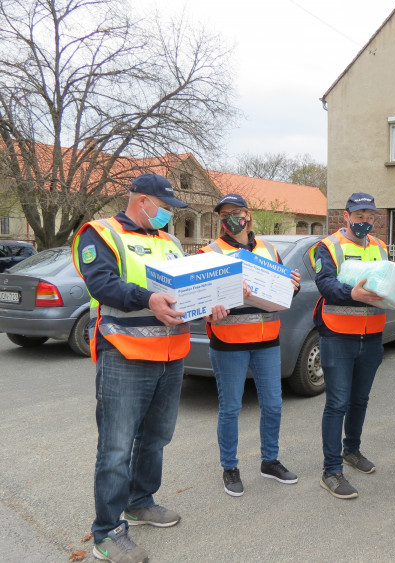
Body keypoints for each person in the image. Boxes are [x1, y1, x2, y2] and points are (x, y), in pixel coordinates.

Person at [72, 174, 190, 563]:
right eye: (165, 208)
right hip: (124, 353)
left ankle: (140, 502)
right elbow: (102, 284)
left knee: (156, 438)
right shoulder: (101, 234)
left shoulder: (170, 243)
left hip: (171, 354)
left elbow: (186, 288)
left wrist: (214, 301)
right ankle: (106, 533)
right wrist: (149, 299)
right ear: (142, 202)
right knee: (116, 447)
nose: (168, 216)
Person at [200, 194, 301, 497]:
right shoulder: (210, 252)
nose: (232, 217)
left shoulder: (268, 249)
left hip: (268, 340)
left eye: (237, 212)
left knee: (273, 405)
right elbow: (202, 300)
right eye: (225, 214)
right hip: (228, 342)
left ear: (248, 215)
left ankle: (270, 461)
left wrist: (292, 286)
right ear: (220, 220)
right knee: (230, 408)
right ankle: (229, 466)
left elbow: (284, 297)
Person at [311, 192, 388, 499]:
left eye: (370, 217)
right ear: (345, 216)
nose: (364, 222)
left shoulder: (380, 247)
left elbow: (387, 282)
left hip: (371, 336)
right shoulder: (328, 246)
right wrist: (352, 294)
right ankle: (331, 471)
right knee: (337, 403)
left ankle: (351, 451)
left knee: (360, 400)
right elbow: (325, 284)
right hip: (338, 335)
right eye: (359, 217)